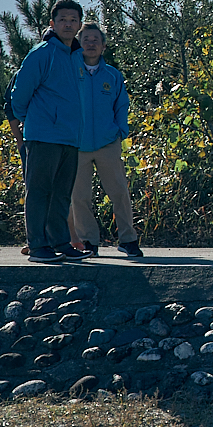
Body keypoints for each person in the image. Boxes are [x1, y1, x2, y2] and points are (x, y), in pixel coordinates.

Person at [6, 0, 86, 263]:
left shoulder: (77, 56)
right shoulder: (42, 52)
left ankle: (60, 242)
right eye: (62, 19)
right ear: (52, 23)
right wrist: (35, 121)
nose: (68, 24)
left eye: (73, 20)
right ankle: (38, 246)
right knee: (40, 191)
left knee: (62, 193)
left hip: (70, 137)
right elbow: (19, 96)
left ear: (79, 25)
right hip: (43, 136)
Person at [67, 23, 141, 258]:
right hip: (77, 144)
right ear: (80, 44)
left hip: (108, 142)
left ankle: (128, 240)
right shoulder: (70, 69)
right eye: (86, 39)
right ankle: (89, 241)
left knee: (119, 191)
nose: (91, 44)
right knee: (79, 197)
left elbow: (122, 105)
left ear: (103, 46)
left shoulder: (112, 75)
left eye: (95, 40)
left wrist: (121, 130)